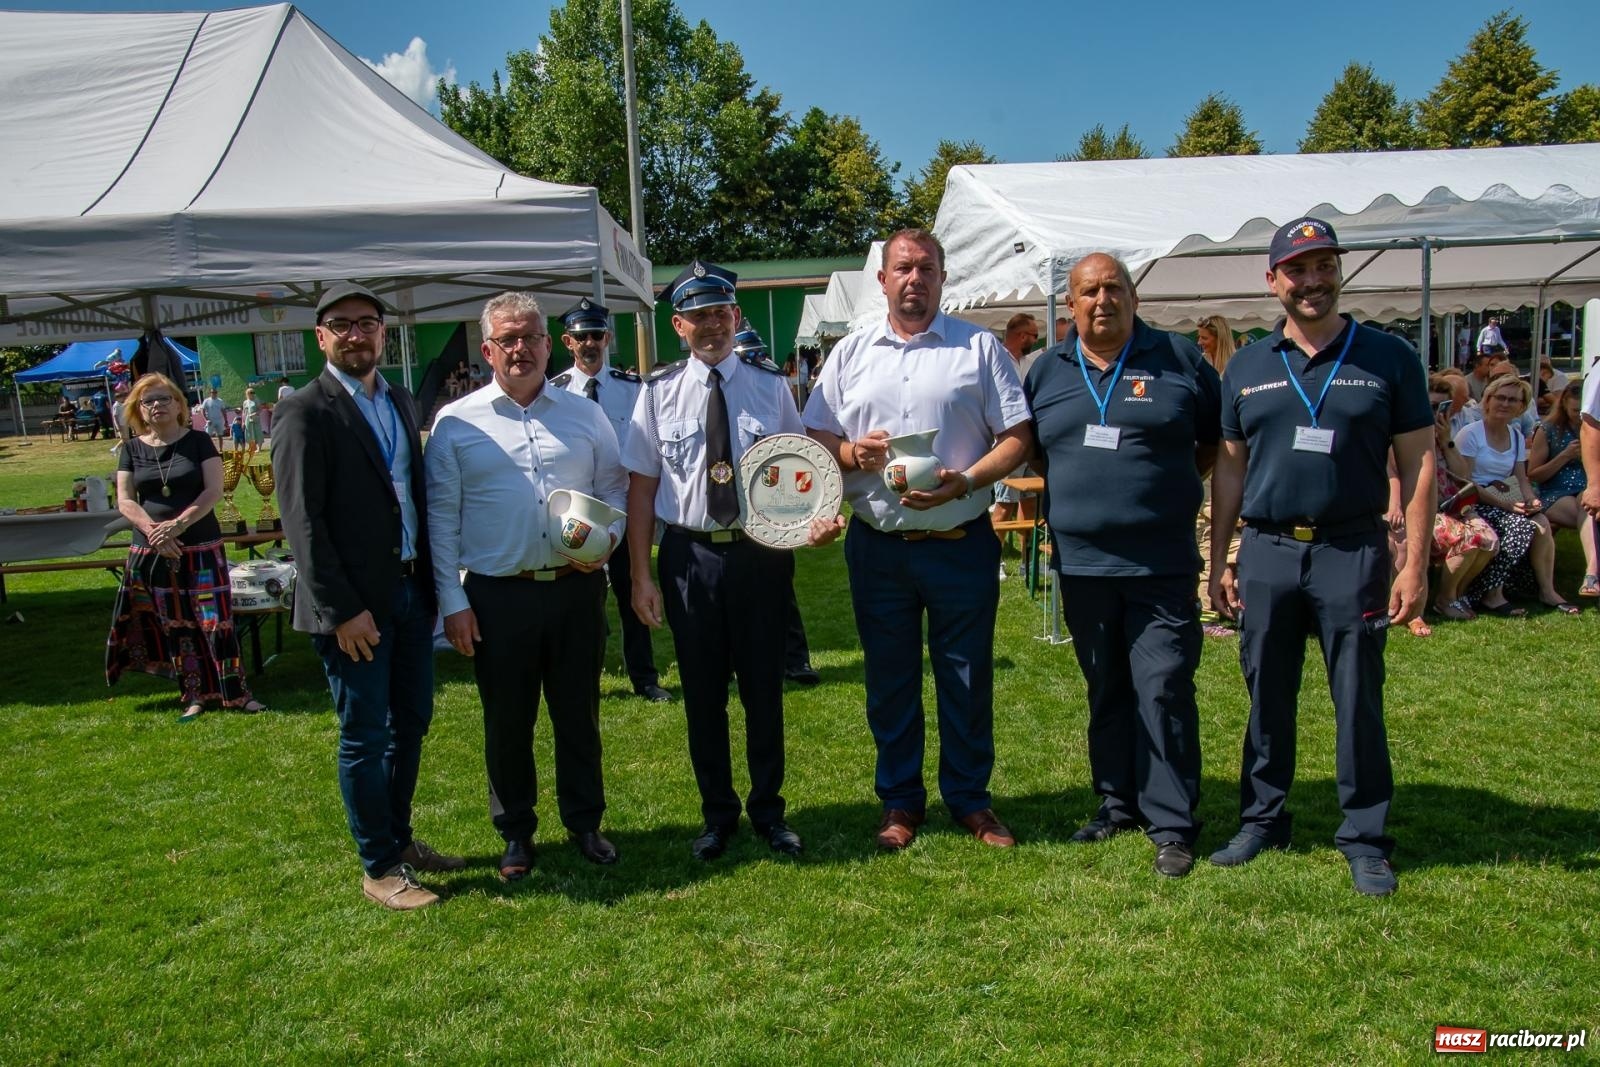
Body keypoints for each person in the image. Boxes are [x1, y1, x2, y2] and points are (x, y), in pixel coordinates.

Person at [1208, 217, 1435, 897]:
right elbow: (1227, 471)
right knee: (1265, 696)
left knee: (1358, 699)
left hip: (1352, 549)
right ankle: (1262, 818)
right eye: (1297, 269)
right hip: (1270, 550)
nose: (1312, 281)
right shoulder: (1247, 365)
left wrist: (1416, 562)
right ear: (1272, 279)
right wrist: (1219, 559)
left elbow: (1420, 463)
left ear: (1340, 270)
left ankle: (1365, 836)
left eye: (1323, 265)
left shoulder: (1388, 357)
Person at [804, 229, 1032, 852]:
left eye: (926, 268)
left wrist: (967, 481)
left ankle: (970, 800)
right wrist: (852, 451)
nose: (915, 279)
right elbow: (816, 436)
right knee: (890, 679)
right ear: (882, 279)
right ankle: (900, 802)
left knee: (965, 676)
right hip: (879, 546)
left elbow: (1017, 435)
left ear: (942, 278)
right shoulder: (850, 354)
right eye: (903, 268)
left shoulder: (979, 348)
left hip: (960, 540)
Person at [1026, 253, 1220, 878]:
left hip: (1160, 562)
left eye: (1114, 288)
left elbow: (1214, 440)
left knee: (1162, 684)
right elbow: (1031, 451)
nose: (1101, 300)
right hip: (1082, 564)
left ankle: (1172, 822)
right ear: (1071, 303)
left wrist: (1164, 493)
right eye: (1088, 291)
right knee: (1105, 685)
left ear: (1134, 297)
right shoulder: (1045, 371)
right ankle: (1116, 802)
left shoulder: (1180, 358)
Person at [622, 260, 823, 861]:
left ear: (736, 318)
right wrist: (639, 576)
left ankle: (769, 810)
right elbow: (639, 489)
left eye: (721, 313)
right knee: (703, 693)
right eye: (699, 317)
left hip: (761, 554)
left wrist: (811, 520)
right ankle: (717, 815)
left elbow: (799, 466)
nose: (712, 325)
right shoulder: (656, 393)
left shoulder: (770, 384)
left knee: (764, 688)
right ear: (678, 326)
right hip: (690, 556)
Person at [272, 282, 462, 911]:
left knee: (412, 723)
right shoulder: (305, 410)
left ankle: (400, 840)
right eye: (342, 325)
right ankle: (378, 865)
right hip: (354, 608)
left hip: (410, 593)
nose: (357, 334)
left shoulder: (402, 401)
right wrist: (341, 610)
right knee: (365, 735)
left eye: (368, 323)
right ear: (321, 337)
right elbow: (303, 522)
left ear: (385, 332)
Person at [428, 292, 626, 878]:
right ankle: (515, 831)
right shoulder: (456, 422)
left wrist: (606, 544)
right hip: (498, 594)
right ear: (488, 349)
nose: (521, 348)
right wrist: (452, 602)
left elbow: (615, 488)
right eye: (508, 340)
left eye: (531, 336)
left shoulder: (585, 415)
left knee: (579, 713)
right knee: (508, 721)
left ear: (549, 343)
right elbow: (441, 519)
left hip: (575, 588)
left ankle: (585, 822)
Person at [107, 372, 264, 722]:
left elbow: (212, 491)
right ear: (138, 410)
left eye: (165, 399)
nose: (158, 406)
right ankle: (193, 694)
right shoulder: (131, 449)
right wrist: (154, 532)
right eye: (149, 401)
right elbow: (125, 500)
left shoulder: (198, 441)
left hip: (200, 545)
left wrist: (177, 525)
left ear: (179, 404)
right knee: (176, 625)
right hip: (154, 552)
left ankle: (236, 694)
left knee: (216, 621)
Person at [548, 298, 672, 703]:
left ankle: (645, 678)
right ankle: (585, 677)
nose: (589, 343)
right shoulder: (554, 395)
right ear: (567, 341)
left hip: (623, 512)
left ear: (608, 337)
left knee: (634, 593)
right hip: (577, 515)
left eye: (596, 335)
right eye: (581, 337)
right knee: (584, 607)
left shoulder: (634, 390)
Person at [729, 321, 821, 686]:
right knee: (732, 598)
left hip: (770, 507)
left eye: (757, 357)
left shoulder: (771, 389)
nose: (755, 363)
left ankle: (794, 659)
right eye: (748, 358)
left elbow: (796, 449)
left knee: (781, 590)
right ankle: (738, 661)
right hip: (728, 510)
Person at [1443, 374, 1578, 616]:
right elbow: (1466, 481)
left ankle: (1547, 590)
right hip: (1476, 501)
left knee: (1542, 523)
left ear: (1521, 407)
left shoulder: (1515, 436)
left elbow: (1521, 478)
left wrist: (1530, 500)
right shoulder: (1471, 434)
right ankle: (1491, 594)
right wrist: (1505, 504)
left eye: (1513, 400)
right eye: (1500, 398)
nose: (1505, 404)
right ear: (1488, 400)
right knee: (1519, 527)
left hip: (1505, 497)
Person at [1425, 375, 1499, 620]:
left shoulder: (1447, 436)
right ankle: (1445, 599)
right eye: (1432, 406)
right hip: (1424, 510)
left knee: (1488, 540)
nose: (1437, 413)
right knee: (1471, 539)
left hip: (1452, 506)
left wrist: (1446, 442)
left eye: (1442, 407)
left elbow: (1464, 474)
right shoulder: (1410, 436)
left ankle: (1455, 593)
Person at [1528, 378, 1596, 596]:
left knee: (1588, 505)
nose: (1579, 416)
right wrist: (1565, 456)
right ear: (1565, 403)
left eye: (1583, 412)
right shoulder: (1548, 429)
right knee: (1589, 510)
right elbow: (1534, 474)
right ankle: (1592, 574)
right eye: (1576, 410)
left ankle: (1593, 576)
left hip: (1588, 492)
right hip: (1555, 492)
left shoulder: (1594, 429)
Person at [1195, 314, 1241, 636]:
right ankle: (1208, 612)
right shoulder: (1204, 372)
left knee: (1233, 538)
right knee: (1207, 534)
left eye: (1205, 338)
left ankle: (1229, 601)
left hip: (1231, 464)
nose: (1200, 343)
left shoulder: (1234, 373)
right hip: (1210, 469)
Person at [991, 313, 1041, 548]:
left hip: (1031, 441)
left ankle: (1025, 560)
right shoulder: (996, 358)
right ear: (1022, 336)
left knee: (1029, 501)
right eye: (1035, 335)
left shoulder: (1028, 362)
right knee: (1005, 503)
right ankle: (994, 558)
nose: (1036, 340)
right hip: (1007, 441)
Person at [200, 387, 226, 451]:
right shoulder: (206, 401)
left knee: (220, 436)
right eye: (212, 392)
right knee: (208, 436)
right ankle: (209, 450)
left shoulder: (220, 401)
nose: (214, 394)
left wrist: (226, 420)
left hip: (219, 420)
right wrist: (206, 419)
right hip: (210, 420)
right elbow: (202, 410)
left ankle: (220, 450)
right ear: (210, 393)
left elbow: (223, 411)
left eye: (215, 392)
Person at [240, 387, 262, 458]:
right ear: (247, 394)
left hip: (255, 418)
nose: (252, 394)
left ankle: (259, 448)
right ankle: (252, 448)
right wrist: (243, 422)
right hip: (247, 419)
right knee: (249, 434)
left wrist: (255, 414)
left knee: (257, 432)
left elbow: (260, 410)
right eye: (250, 393)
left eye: (253, 392)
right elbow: (243, 412)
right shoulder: (245, 402)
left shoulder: (257, 400)